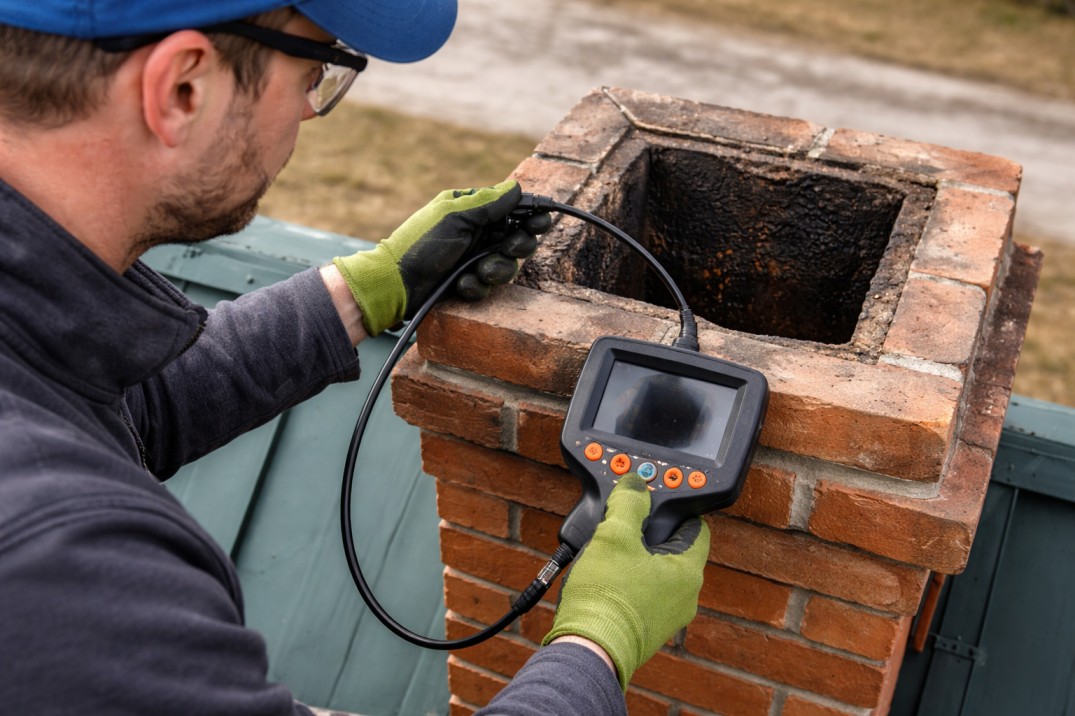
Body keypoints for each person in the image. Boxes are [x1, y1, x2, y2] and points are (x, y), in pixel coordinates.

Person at [0, 1, 710, 714]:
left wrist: (367, 287)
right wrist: (598, 642)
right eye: (314, 71)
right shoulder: (66, 574)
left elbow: (116, 409)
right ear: (182, 88)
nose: (310, 111)